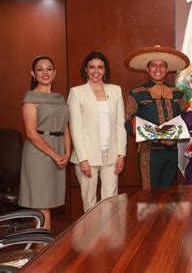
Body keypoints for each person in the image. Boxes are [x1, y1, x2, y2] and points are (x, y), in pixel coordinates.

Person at [68, 52, 127, 212]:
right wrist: (83, 159)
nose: (96, 71)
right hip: (87, 156)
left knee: (111, 202)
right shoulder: (76, 92)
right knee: (90, 203)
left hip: (112, 154)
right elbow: (76, 128)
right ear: (86, 70)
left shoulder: (115, 90)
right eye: (92, 67)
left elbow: (120, 125)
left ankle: (109, 237)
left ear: (105, 70)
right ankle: (92, 237)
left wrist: (121, 154)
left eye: (100, 67)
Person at [125, 46, 188, 189]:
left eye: (162, 65)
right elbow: (129, 123)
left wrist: (174, 137)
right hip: (149, 152)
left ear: (167, 69)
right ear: (147, 69)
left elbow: (185, 119)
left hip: (171, 152)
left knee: (169, 197)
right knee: (149, 196)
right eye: (153, 65)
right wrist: (158, 136)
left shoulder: (178, 93)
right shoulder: (136, 93)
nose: (158, 68)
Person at [18, 56, 70, 230]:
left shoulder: (60, 97)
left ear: (55, 73)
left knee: (49, 201)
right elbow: (31, 133)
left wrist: (67, 152)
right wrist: (55, 154)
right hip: (39, 153)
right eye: (40, 69)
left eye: (49, 69)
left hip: (58, 149)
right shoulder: (30, 98)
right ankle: (44, 249)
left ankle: (43, 245)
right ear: (33, 74)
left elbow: (65, 127)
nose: (45, 72)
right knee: (42, 203)